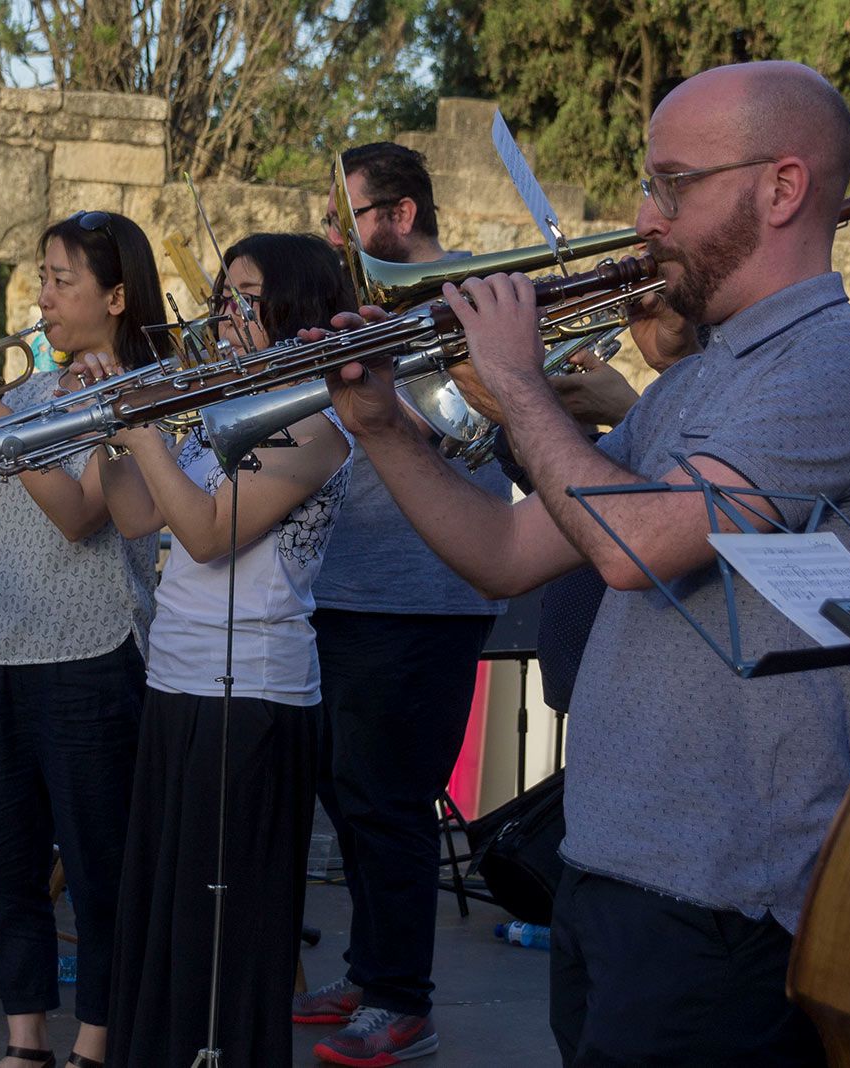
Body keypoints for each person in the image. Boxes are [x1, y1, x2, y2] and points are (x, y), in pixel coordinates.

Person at [325, 62, 850, 1064]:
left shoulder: (843, 361)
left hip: (725, 893)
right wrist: (382, 427)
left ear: (781, 188)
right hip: (608, 865)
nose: (643, 216)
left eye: (671, 184)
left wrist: (518, 387)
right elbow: (508, 554)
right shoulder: (698, 382)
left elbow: (630, 549)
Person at [0, 210, 167, 1068]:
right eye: (43, 277)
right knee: (2, 863)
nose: (44, 296)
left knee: (97, 866)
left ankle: (98, 1036)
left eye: (62, 280)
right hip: (4, 647)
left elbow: (83, 517)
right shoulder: (18, 394)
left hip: (94, 650)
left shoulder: (131, 395)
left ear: (117, 295)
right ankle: (26, 1037)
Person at [93, 233, 356, 1067]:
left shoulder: (314, 427)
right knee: (165, 917)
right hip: (178, 681)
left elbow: (205, 536)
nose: (227, 315)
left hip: (253, 698)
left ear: (297, 309)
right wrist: (107, 432)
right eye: (222, 297)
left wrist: (145, 438)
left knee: (225, 934)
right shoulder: (222, 418)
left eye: (247, 298)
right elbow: (139, 517)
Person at [297, 141, 514, 1065]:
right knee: (346, 791)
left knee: (389, 800)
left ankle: (404, 1003)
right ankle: (370, 968)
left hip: (427, 590)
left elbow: (481, 424)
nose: (341, 234)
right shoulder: (368, 306)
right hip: (344, 581)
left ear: (400, 215)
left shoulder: (477, 296)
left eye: (351, 217)